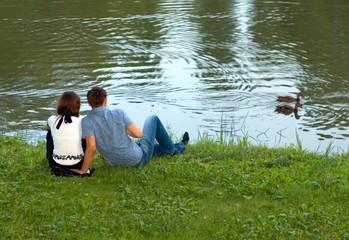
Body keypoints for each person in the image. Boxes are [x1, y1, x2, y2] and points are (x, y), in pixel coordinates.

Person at [73, 86, 189, 174]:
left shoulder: (86, 121)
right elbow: (139, 134)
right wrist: (124, 129)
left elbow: (91, 146)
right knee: (152, 119)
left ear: (88, 103)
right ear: (106, 100)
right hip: (137, 159)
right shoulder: (118, 113)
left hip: (114, 161)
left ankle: (178, 147)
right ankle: (171, 149)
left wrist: (84, 170)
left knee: (150, 147)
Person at [44, 91, 92, 176]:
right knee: (85, 133)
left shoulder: (52, 119)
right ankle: (83, 165)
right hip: (79, 164)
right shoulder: (83, 120)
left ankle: (57, 159)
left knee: (50, 132)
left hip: (56, 164)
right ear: (78, 106)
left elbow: (46, 127)